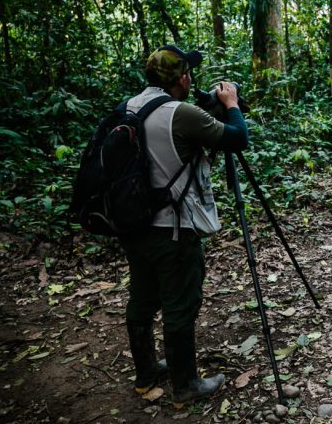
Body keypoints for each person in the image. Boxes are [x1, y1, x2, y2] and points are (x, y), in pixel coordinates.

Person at [122, 45, 248, 408]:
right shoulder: (181, 113)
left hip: (135, 223)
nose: (191, 78)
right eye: (188, 73)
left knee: (143, 299)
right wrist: (232, 104)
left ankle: (147, 373)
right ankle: (186, 386)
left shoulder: (129, 107)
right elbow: (238, 137)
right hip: (173, 228)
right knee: (181, 304)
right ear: (181, 79)